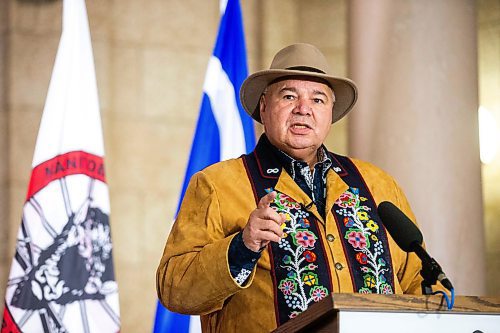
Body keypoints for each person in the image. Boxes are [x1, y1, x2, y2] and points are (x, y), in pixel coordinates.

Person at [156, 43, 425, 332]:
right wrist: (242, 247)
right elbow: (175, 288)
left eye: (318, 100)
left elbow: (417, 283)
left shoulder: (379, 184)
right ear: (263, 106)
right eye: (288, 96)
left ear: (330, 113)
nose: (303, 109)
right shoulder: (217, 184)